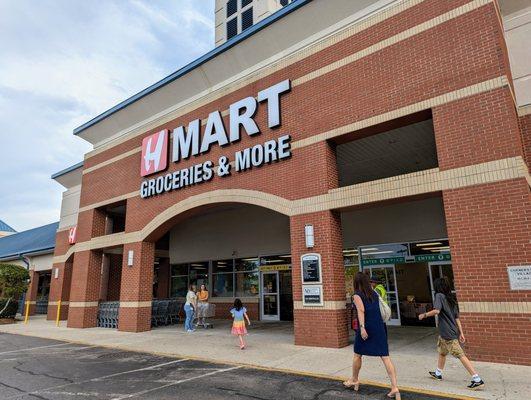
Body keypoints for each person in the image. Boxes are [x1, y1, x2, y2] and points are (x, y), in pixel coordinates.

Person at [419, 276, 484, 390]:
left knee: (460, 354)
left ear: (438, 287)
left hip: (447, 333)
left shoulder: (439, 296)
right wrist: (461, 333)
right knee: (442, 352)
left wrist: (424, 315)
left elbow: (436, 310)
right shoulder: (451, 298)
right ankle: (438, 373)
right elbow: (457, 318)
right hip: (449, 331)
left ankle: (477, 379)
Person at [344, 272, 400, 399]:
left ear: (356, 282)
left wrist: (362, 328)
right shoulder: (374, 293)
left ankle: (354, 379)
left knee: (357, 354)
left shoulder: (357, 295)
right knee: (385, 357)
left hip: (367, 328)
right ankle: (395, 387)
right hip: (379, 327)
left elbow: (361, 311)